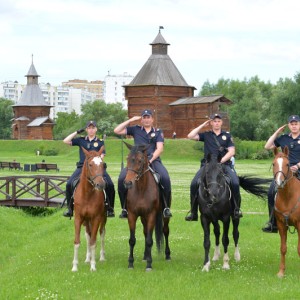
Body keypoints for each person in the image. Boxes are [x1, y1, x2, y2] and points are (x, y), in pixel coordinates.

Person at [114, 109, 172, 218]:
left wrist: (150, 159)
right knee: (122, 178)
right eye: (144, 117)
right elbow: (117, 130)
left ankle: (166, 207)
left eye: (148, 117)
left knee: (165, 178)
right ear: (141, 120)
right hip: (136, 162)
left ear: (152, 119)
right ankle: (124, 208)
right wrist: (130, 120)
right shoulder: (135, 129)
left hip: (153, 160)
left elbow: (160, 148)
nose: (146, 120)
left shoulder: (158, 131)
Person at [185, 113, 242, 221]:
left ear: (221, 122)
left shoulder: (227, 136)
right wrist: (203, 124)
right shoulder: (206, 135)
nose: (216, 123)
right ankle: (193, 212)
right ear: (211, 123)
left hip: (223, 164)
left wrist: (221, 161)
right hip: (207, 165)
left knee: (235, 182)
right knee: (194, 184)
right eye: (214, 121)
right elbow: (190, 136)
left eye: (218, 121)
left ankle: (236, 209)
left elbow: (232, 151)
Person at [63, 120, 115, 218]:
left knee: (110, 185)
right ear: (87, 129)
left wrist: (96, 165)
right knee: (69, 184)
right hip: (82, 167)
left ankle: (110, 208)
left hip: (97, 168)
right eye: (89, 128)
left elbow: (102, 155)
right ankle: (70, 208)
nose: (91, 130)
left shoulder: (100, 142)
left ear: (96, 129)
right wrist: (77, 132)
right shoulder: (81, 140)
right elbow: (65, 141)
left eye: (93, 128)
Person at [262, 114, 300, 233]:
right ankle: (272, 222)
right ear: (288, 125)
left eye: (296, 124)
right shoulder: (283, 138)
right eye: (292, 124)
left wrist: (298, 166)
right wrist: (277, 133)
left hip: (299, 169)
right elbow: (267, 146)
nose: (294, 126)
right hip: (284, 172)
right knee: (271, 191)